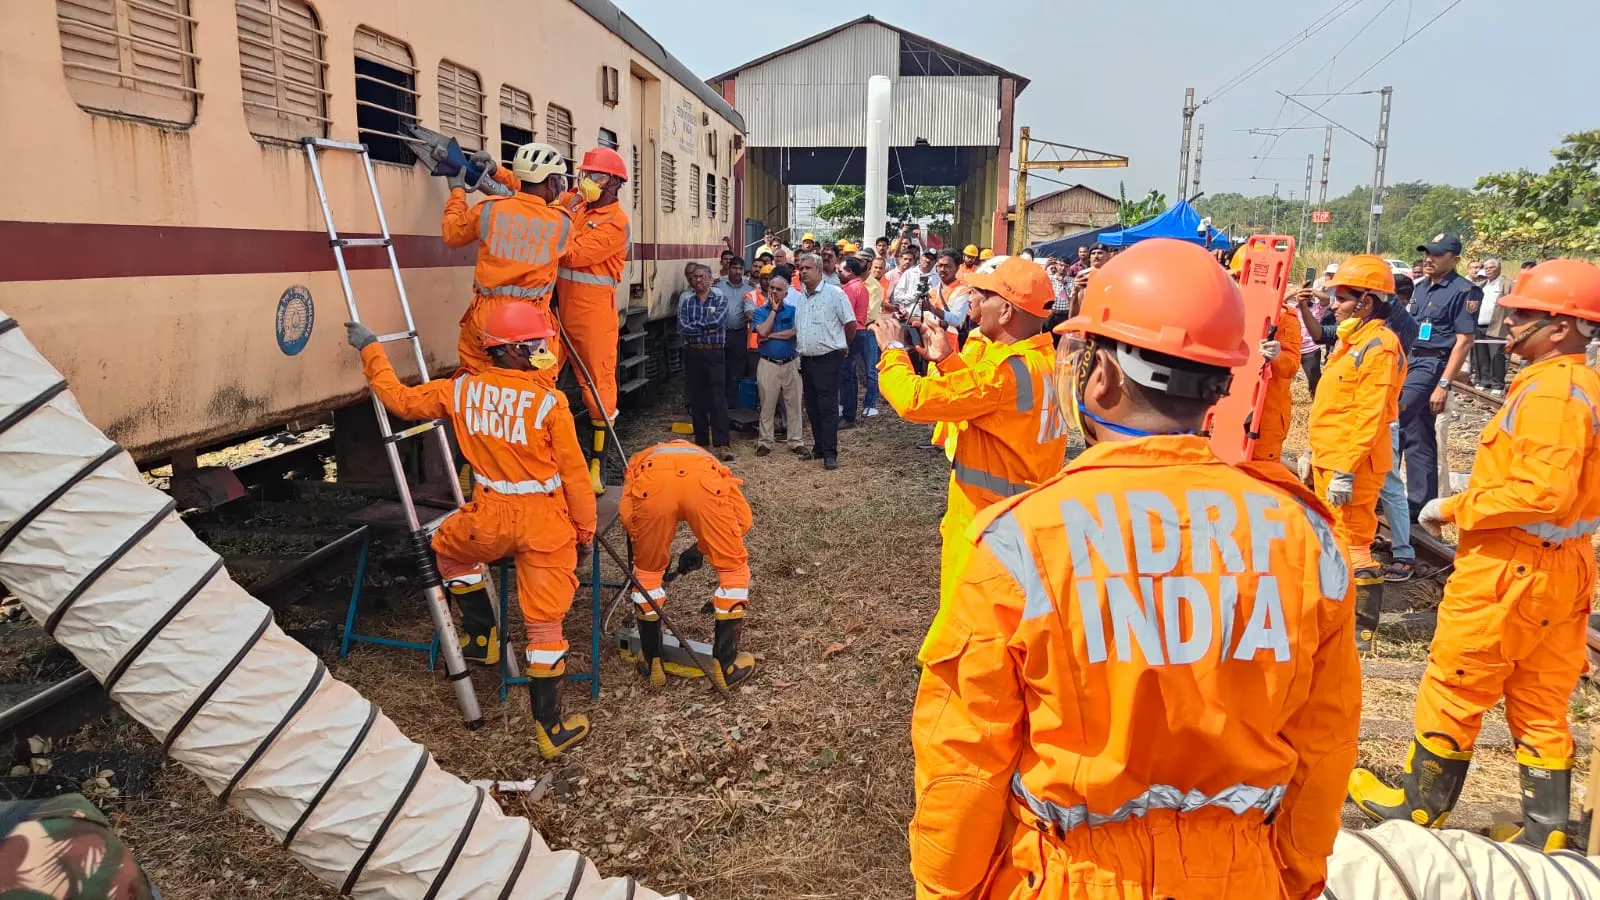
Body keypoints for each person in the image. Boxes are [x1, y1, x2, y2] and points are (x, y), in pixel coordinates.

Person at [909, 238, 1359, 900]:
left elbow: (965, 754)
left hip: (1072, 877)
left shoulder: (1022, 541)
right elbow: (1326, 745)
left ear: (1103, 376)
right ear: (1219, 384)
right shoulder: (1307, 537)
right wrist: (1285, 875)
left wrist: (943, 888)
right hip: (1242, 875)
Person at [1348, 259, 1600, 852]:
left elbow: (1542, 491)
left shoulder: (1551, 394)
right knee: (1542, 698)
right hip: (1563, 566)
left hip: (1511, 568)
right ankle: (1546, 831)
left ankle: (1418, 807)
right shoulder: (1580, 387)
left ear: (1561, 327)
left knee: (1457, 681)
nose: (1507, 321)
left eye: (1523, 313)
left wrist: (1454, 507)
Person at [345, 303, 595, 758]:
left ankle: (482, 636)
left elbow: (400, 401)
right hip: (545, 524)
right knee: (545, 626)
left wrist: (371, 350)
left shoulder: (460, 391)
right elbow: (575, 477)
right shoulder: (549, 403)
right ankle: (551, 729)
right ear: (513, 351)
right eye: (536, 344)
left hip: (488, 519)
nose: (543, 350)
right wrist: (584, 531)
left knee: (448, 549)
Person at [872, 256, 1068, 661]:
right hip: (1021, 514)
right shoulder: (1045, 361)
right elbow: (988, 408)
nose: (972, 299)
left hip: (986, 519)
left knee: (973, 625)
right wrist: (948, 362)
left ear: (1006, 311)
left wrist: (893, 350)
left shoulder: (1005, 371)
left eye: (982, 294)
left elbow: (915, 400)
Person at [1305, 255, 1406, 655]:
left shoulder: (1380, 347)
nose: (1334, 305)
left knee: (1354, 542)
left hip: (1353, 464)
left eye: (1343, 298)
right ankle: (1336, 616)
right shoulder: (1353, 341)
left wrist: (1346, 469)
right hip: (1332, 457)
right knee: (1335, 538)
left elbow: (1370, 414)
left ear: (1367, 301)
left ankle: (1360, 632)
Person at [620, 441, 757, 690]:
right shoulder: (707, 461)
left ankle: (652, 660)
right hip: (704, 485)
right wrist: (703, 547)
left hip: (652, 486)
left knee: (647, 575)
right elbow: (742, 520)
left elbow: (629, 517)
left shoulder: (640, 460)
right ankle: (726, 666)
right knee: (733, 571)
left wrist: (653, 552)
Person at [539, 146, 632, 494]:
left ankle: (597, 466)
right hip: (555, 309)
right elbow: (537, 194)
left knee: (597, 388)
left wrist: (546, 227)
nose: (587, 181)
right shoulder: (576, 202)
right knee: (540, 375)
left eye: (596, 176)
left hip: (592, 316)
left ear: (615, 183)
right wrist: (496, 175)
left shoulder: (616, 224)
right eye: (586, 174)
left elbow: (574, 254)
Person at [441, 142, 571, 376]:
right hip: (531, 323)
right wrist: (496, 172)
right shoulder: (562, 223)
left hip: (485, 318)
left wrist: (458, 191)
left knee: (477, 381)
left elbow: (451, 234)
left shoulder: (488, 209)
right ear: (552, 182)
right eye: (559, 181)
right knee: (534, 384)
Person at [1400, 234, 1480, 521]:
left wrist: (1444, 384)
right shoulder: (1421, 288)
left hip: (1433, 363)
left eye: (1437, 254)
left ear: (1454, 259)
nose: (1429, 259)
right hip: (1412, 359)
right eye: (1427, 253)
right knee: (1418, 433)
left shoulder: (1464, 291)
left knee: (1394, 418)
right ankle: (1419, 503)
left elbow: (1464, 341)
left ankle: (1382, 491)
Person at [793, 254, 857, 470]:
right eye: (801, 268)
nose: (803, 271)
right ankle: (819, 447)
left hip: (828, 359)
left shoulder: (834, 294)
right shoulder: (802, 297)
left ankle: (830, 453)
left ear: (820, 271)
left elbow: (850, 323)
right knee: (812, 407)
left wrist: (843, 344)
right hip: (807, 360)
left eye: (808, 268)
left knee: (827, 407)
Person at [676, 264, 734, 460]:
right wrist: (705, 328)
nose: (698, 280)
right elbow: (682, 327)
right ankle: (701, 443)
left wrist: (696, 327)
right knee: (697, 398)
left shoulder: (720, 300)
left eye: (701, 276)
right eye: (695, 277)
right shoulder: (687, 302)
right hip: (694, 353)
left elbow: (718, 321)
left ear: (710, 279)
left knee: (718, 399)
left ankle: (722, 443)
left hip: (715, 353)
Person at [752, 271, 804, 456]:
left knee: (794, 404)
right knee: (767, 404)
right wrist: (773, 311)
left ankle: (796, 441)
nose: (774, 291)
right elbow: (762, 331)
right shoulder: (760, 312)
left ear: (786, 293)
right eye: (771, 288)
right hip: (768, 364)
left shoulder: (793, 311)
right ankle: (765, 442)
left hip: (791, 362)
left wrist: (772, 335)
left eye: (778, 289)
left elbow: (795, 332)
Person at [1252, 288, 1303, 464]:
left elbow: (1291, 367)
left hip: (1266, 416)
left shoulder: (1286, 319)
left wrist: (1277, 356)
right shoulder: (1233, 310)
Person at [838, 256, 879, 425]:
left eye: (841, 271)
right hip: (859, 331)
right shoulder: (861, 287)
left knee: (847, 375)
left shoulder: (851, 289)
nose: (839, 273)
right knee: (851, 375)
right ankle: (849, 412)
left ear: (849, 271)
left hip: (852, 333)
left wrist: (845, 341)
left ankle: (848, 415)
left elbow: (846, 316)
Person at [715, 256, 755, 410]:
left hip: (739, 333)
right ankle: (718, 403)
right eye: (734, 268)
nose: (737, 271)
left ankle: (732, 404)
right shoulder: (718, 287)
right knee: (719, 368)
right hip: (719, 333)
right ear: (729, 268)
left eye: (740, 268)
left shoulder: (749, 289)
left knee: (736, 370)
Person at [1473, 257, 1514, 393]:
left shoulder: (1507, 284)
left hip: (1497, 326)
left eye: (1491, 267)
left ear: (1499, 268)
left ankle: (1497, 384)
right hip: (1480, 325)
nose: (1488, 270)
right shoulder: (1483, 285)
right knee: (1481, 355)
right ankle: (1483, 381)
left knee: (1496, 355)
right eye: (1486, 268)